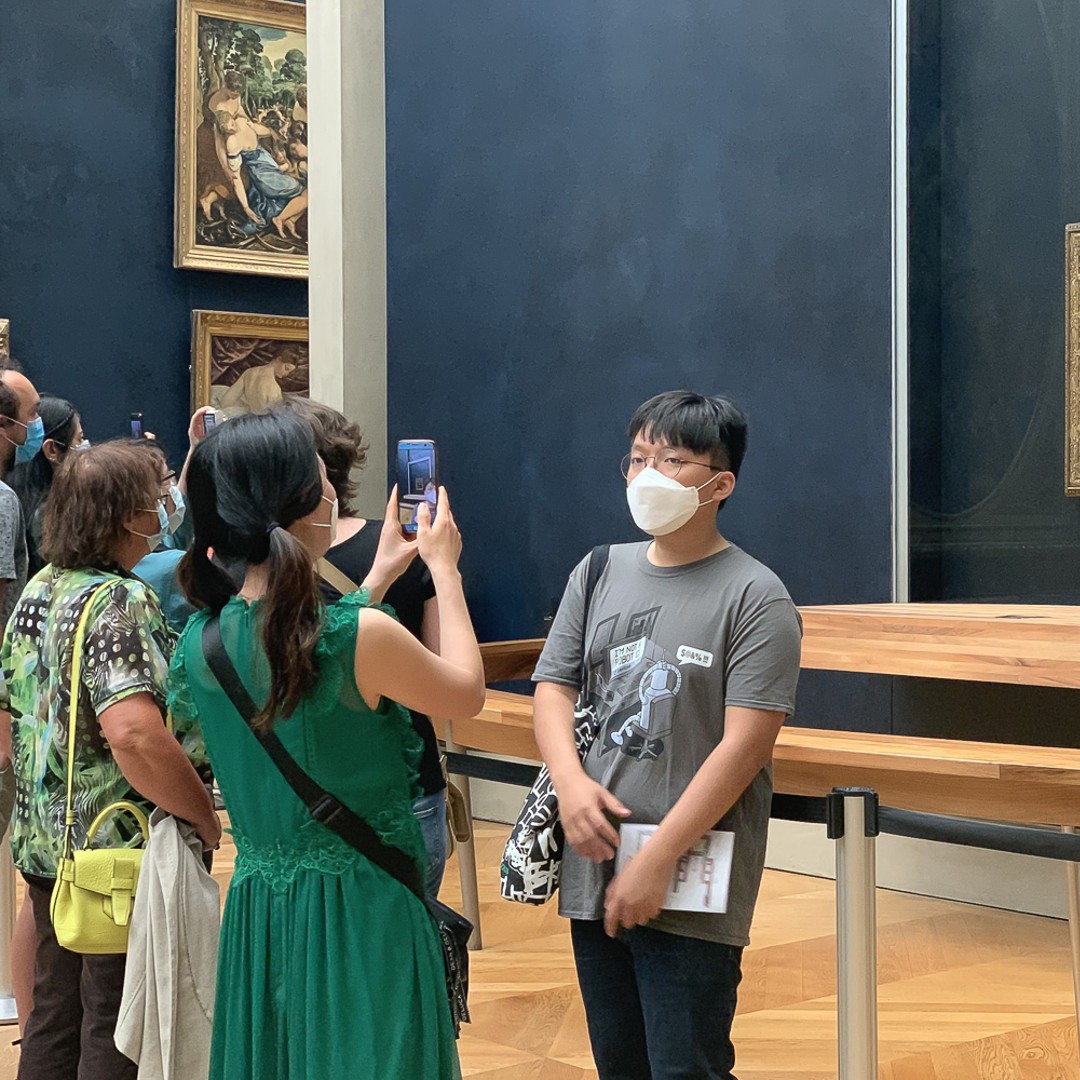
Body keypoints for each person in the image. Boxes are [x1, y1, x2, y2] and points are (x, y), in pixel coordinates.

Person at [169, 411, 483, 1078]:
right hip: (363, 906)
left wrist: (378, 581)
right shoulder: (361, 636)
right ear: (302, 504)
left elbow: (305, 658)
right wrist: (445, 571)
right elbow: (464, 694)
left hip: (262, 909)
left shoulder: (203, 642)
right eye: (321, 481)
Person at [533, 391, 803, 1080]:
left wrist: (658, 859)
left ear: (721, 484)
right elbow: (553, 687)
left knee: (686, 1066)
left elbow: (747, 745)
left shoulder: (756, 595)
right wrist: (570, 785)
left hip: (691, 873)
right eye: (637, 458)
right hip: (595, 861)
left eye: (673, 460)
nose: (647, 475)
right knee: (619, 1062)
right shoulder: (598, 569)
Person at [0, 440, 220, 1080]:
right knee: (117, 1021)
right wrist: (201, 813)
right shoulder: (120, 601)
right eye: (158, 496)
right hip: (114, 853)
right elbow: (133, 732)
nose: (167, 505)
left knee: (53, 1016)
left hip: (45, 843)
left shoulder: (40, 588)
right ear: (129, 516)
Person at [276, 396, 450, 895]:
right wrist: (445, 570)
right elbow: (444, 673)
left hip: (298, 783)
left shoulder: (255, 567)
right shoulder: (407, 545)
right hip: (404, 775)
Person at [7, 394, 86, 575]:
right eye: (80, 440)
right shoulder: (51, 516)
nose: (86, 448)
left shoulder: (11, 497)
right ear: (52, 450)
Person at [213, 110, 306, 234]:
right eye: (229, 130)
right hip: (264, 177)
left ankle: (287, 219)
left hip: (270, 168)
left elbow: (265, 131)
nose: (234, 130)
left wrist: (256, 126)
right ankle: (280, 219)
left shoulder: (242, 122)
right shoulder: (232, 143)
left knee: (300, 192)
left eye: (233, 125)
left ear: (232, 119)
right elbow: (236, 179)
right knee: (303, 190)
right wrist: (246, 208)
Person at [214, 353, 298, 416]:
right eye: (286, 368)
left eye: (289, 372)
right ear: (279, 359)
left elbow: (227, 401)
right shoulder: (274, 389)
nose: (286, 374)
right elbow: (275, 420)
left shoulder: (249, 372)